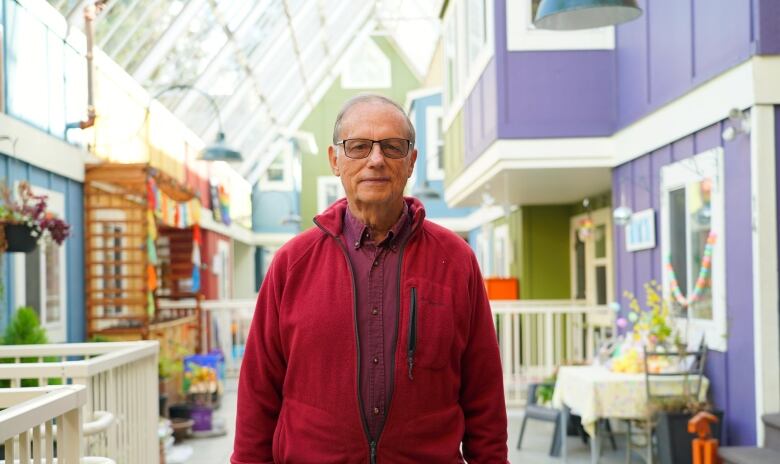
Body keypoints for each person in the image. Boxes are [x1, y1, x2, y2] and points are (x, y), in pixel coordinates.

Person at [232, 94, 508, 463]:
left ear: (411, 162)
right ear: (335, 160)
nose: (376, 160)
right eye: (359, 146)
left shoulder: (456, 262)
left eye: (393, 147)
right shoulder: (291, 265)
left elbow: (483, 394)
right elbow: (258, 393)